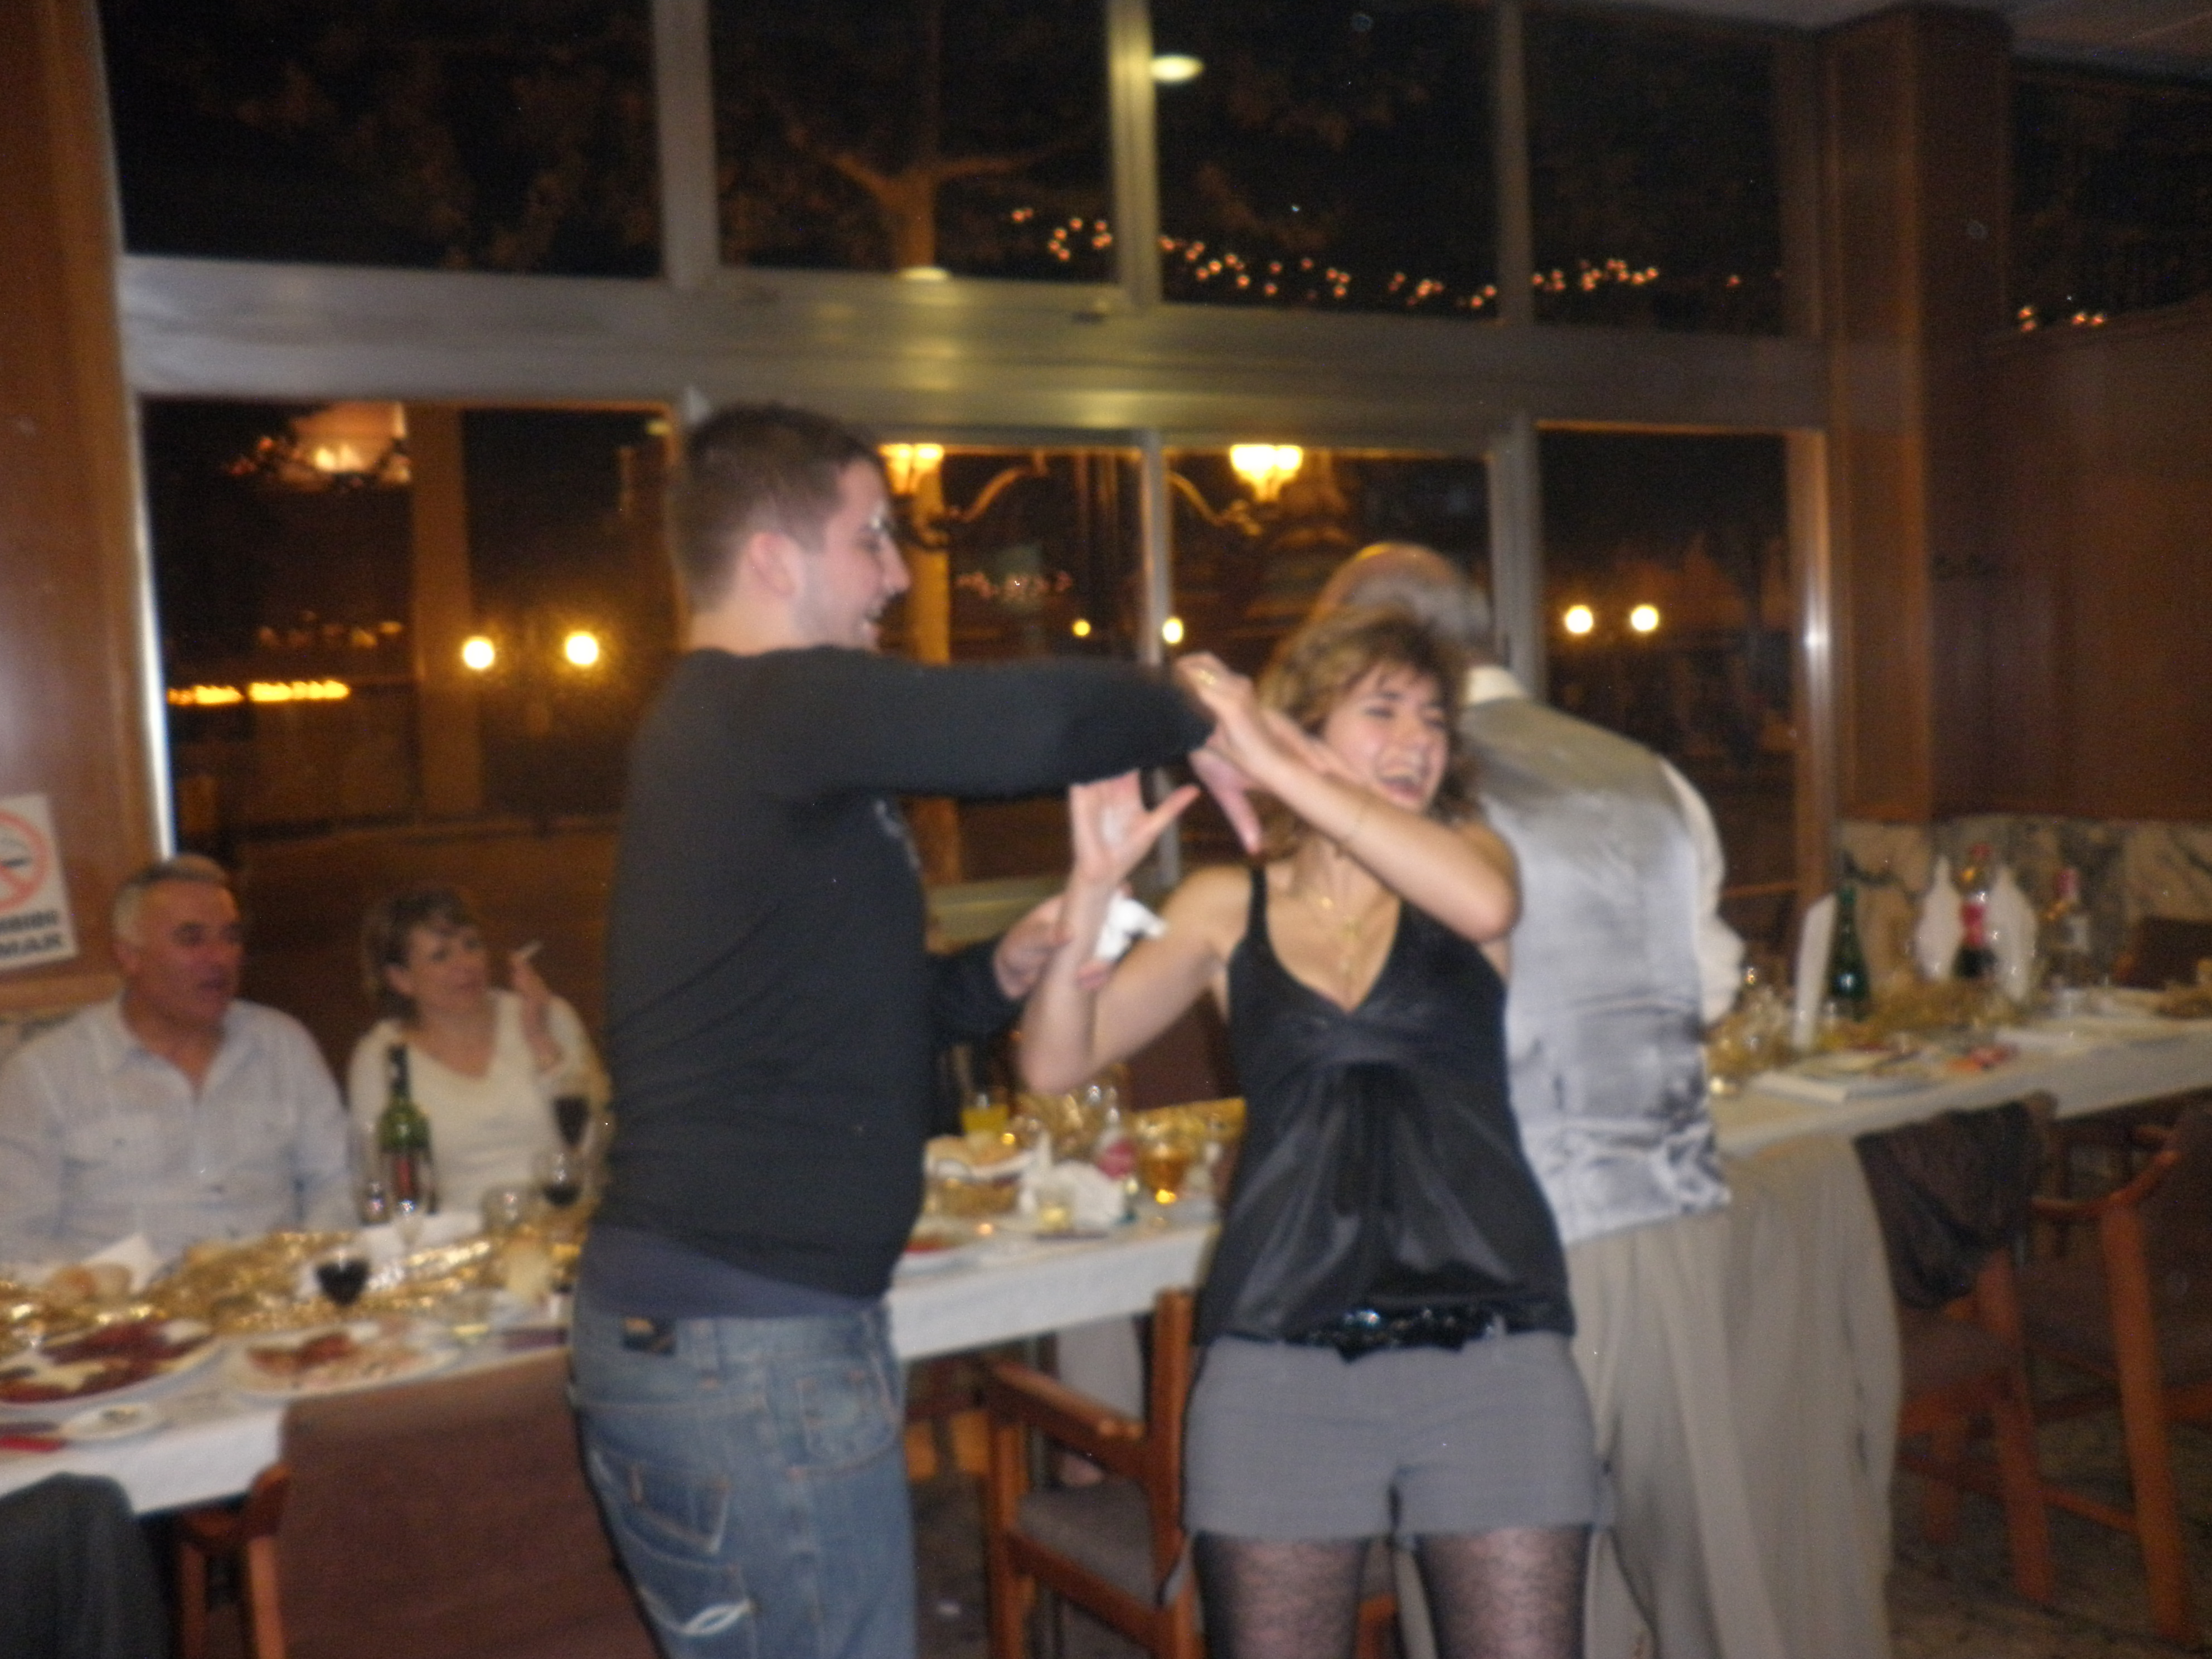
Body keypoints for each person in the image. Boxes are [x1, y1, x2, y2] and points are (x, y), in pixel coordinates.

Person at [567, 403, 1224, 1659]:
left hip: (744, 1332)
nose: (897, 573)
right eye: (870, 536)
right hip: (745, 1344)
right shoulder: (759, 706)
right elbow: (1037, 726)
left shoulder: (752, 743)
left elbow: (870, 1015)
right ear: (774, 559)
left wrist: (1001, 969)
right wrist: (1193, 701)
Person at [1023, 608, 1602, 1659]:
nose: (1417, 739)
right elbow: (1056, 1063)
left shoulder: (1467, 861)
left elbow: (1484, 906)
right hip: (1279, 1361)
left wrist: (1278, 768)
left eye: (1433, 719)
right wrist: (1090, 894)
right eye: (1381, 711)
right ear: (1304, 726)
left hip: (1493, 1352)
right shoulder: (1222, 904)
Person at [1314, 545, 1785, 1659]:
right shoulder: (1641, 772)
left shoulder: (1389, 796)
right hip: (1666, 1219)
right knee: (1701, 1571)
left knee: (1492, 1593)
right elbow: (1708, 985)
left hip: (1483, 1254)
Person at [0, 855, 351, 1265]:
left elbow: (339, 1182)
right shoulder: (45, 1076)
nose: (219, 958)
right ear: (129, 956)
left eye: (231, 937)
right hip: (127, 1300)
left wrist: (310, 1262)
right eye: (191, 939)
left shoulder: (282, 1046)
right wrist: (106, 1286)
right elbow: (13, 1237)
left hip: (281, 1291)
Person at [347, 882, 607, 1220]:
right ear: (401, 979)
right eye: (441, 956)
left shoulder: (547, 1014)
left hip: (565, 1227)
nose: (465, 964)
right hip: (452, 1241)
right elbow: (380, 1180)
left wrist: (542, 1044)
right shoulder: (382, 1058)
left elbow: (598, 1148)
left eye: (471, 945)